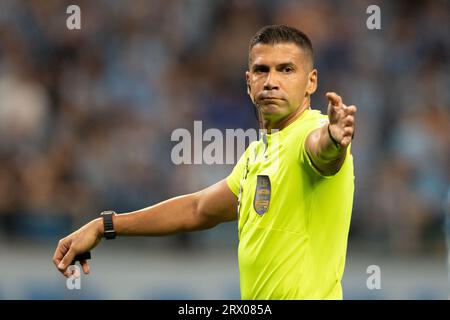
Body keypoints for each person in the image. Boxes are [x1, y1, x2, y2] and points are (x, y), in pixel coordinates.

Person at [53, 25, 357, 300]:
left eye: (286, 70)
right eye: (262, 70)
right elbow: (197, 209)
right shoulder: (257, 154)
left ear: (311, 81)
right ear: (248, 82)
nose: (271, 81)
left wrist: (333, 139)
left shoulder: (309, 133)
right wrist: (104, 225)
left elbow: (323, 154)